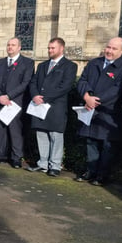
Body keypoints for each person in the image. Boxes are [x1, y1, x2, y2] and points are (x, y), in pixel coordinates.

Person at [74, 37, 122, 185]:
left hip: (109, 113)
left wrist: (95, 101)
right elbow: (82, 80)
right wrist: (86, 96)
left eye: (114, 49)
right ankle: (90, 172)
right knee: (91, 142)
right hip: (90, 110)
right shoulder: (94, 63)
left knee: (107, 147)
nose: (109, 51)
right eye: (108, 47)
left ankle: (102, 176)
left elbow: (117, 90)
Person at [26, 37, 77, 176]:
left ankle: (55, 165)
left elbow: (65, 87)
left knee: (55, 136)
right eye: (49, 48)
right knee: (41, 134)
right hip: (39, 105)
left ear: (61, 48)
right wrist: (35, 95)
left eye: (52, 48)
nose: (50, 50)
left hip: (56, 107)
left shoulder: (70, 66)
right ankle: (42, 163)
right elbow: (33, 83)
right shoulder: (42, 66)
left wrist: (45, 98)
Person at [0, 37, 34, 168]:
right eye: (8, 45)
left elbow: (25, 83)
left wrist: (8, 96)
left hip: (15, 103)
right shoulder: (1, 62)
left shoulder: (27, 63)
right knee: (1, 129)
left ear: (19, 47)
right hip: (0, 101)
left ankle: (16, 157)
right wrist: (0, 96)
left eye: (13, 45)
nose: (10, 47)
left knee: (15, 131)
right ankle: (1, 154)